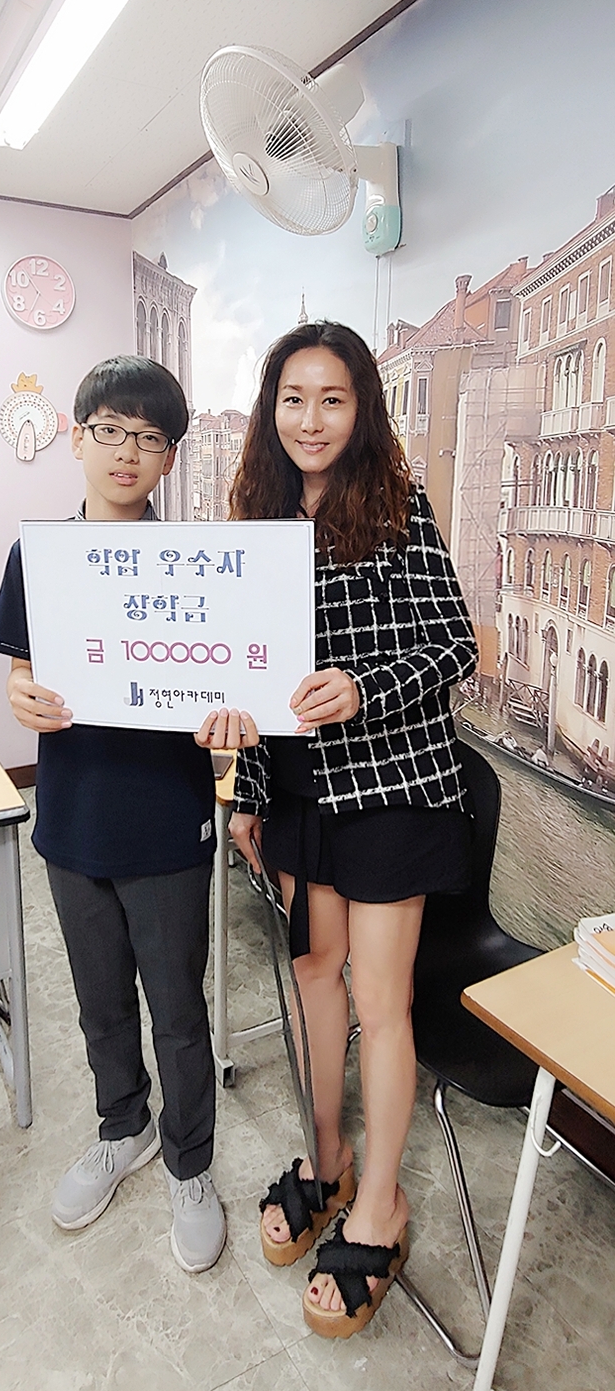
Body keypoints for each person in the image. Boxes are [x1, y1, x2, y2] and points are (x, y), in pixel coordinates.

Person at [228, 320, 479, 1338]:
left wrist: (364, 686)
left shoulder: (399, 505)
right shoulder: (257, 518)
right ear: (271, 409)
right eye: (294, 398)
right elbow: (248, 675)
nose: (311, 418)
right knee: (312, 972)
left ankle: (381, 1205)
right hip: (296, 790)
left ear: (361, 407)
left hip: (389, 787)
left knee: (380, 998)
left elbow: (454, 643)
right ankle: (325, 1156)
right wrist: (249, 790)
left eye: (332, 398)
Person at [0, 355, 253, 1274]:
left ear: (171, 456)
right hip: (71, 818)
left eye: (149, 437)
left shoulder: (200, 569)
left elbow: (233, 686)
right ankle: (122, 1128)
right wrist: (20, 696)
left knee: (177, 1009)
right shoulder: (38, 558)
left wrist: (233, 722)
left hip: (168, 823)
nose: (127, 451)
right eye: (110, 431)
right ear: (77, 437)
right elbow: (21, 673)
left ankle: (190, 1162)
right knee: (100, 1003)